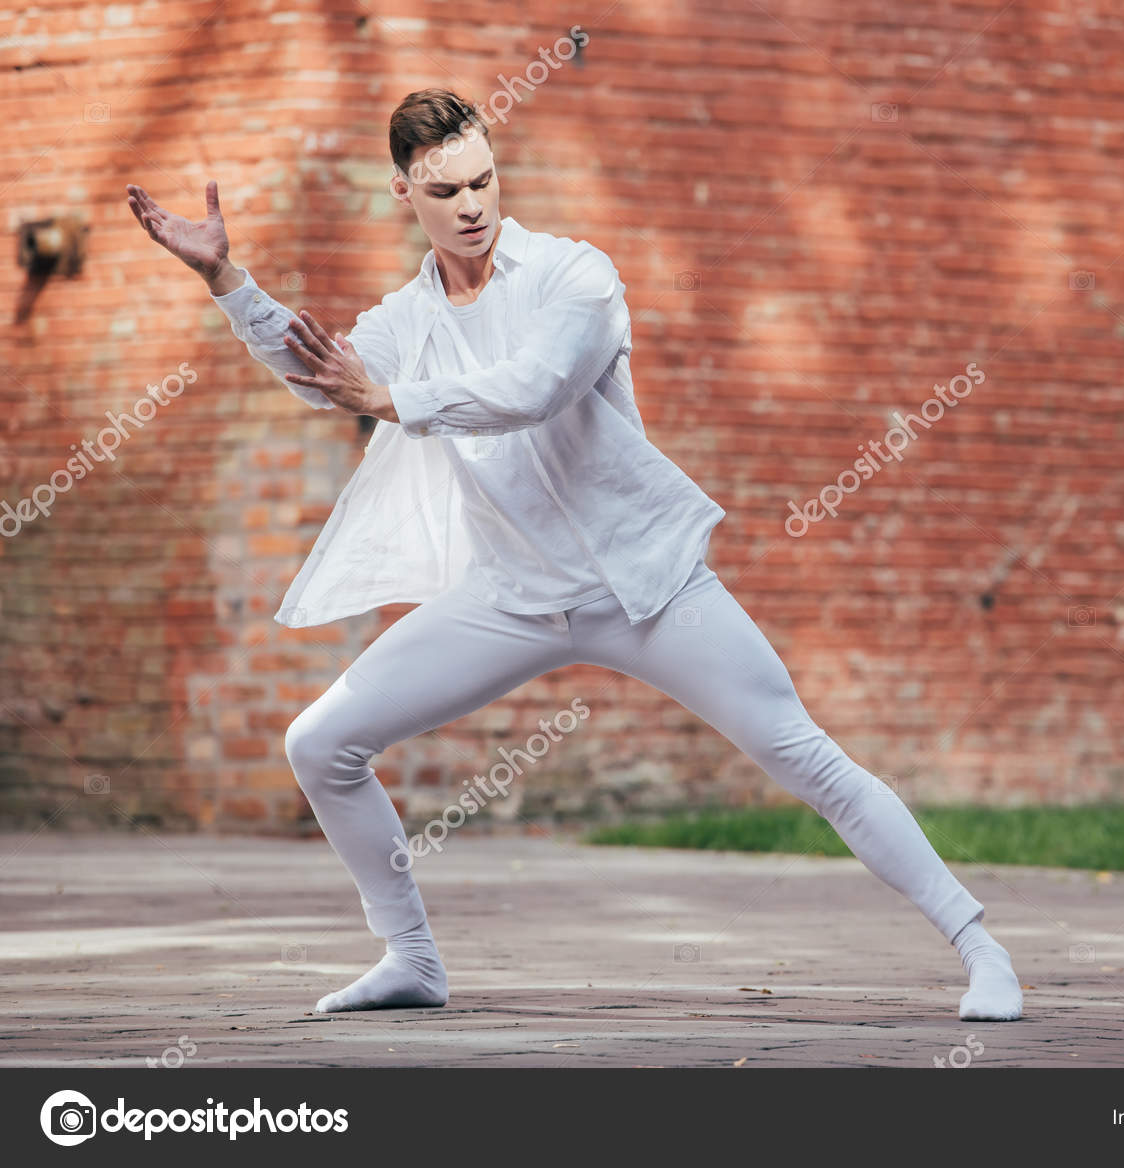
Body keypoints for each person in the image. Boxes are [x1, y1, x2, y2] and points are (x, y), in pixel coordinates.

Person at [124, 87, 1023, 1022]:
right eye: (445, 191)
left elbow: (535, 388)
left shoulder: (575, 276)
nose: (471, 205)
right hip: (511, 596)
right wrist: (228, 282)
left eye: (483, 180)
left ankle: (981, 948)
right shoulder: (407, 317)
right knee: (320, 743)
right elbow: (326, 373)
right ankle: (412, 959)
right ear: (404, 193)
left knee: (805, 758)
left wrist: (393, 400)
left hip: (647, 586)